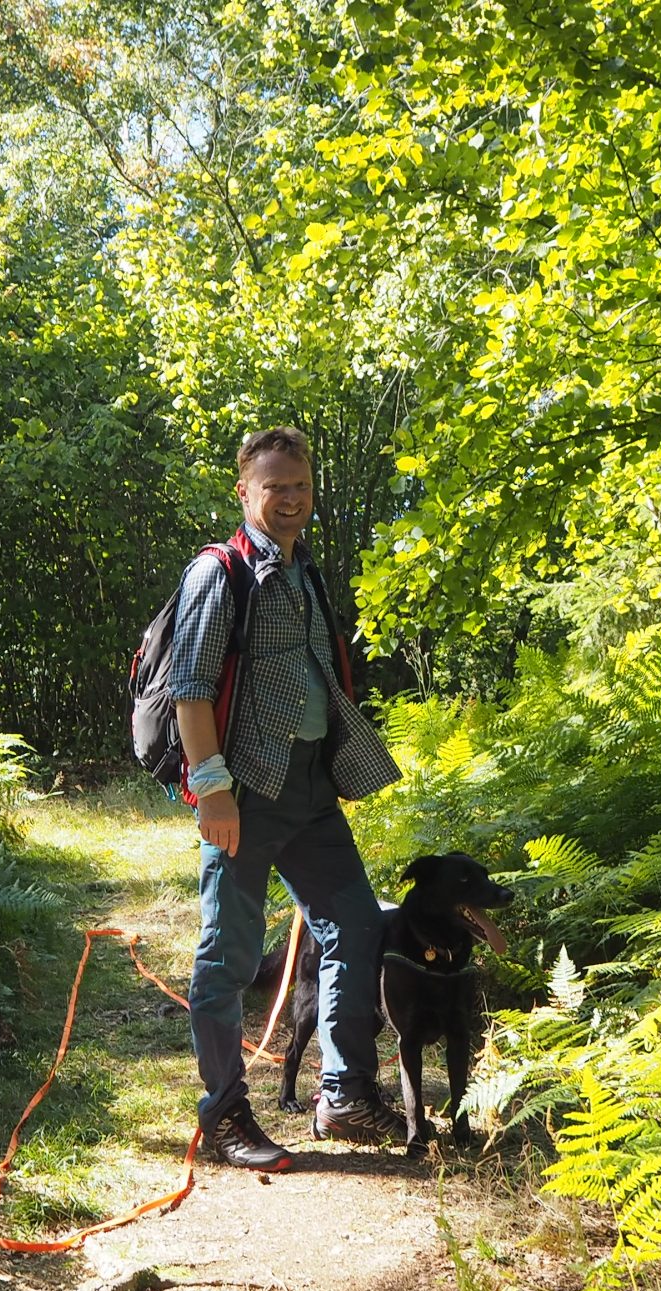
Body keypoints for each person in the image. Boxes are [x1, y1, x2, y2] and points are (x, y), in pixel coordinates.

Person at [168, 426, 406, 1171]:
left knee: (357, 924)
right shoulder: (219, 574)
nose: (292, 499)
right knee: (228, 957)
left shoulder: (304, 571)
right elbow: (190, 689)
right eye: (276, 487)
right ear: (245, 491)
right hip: (242, 792)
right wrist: (212, 791)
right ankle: (225, 1115)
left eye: (300, 486)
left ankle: (343, 1094)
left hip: (309, 788)